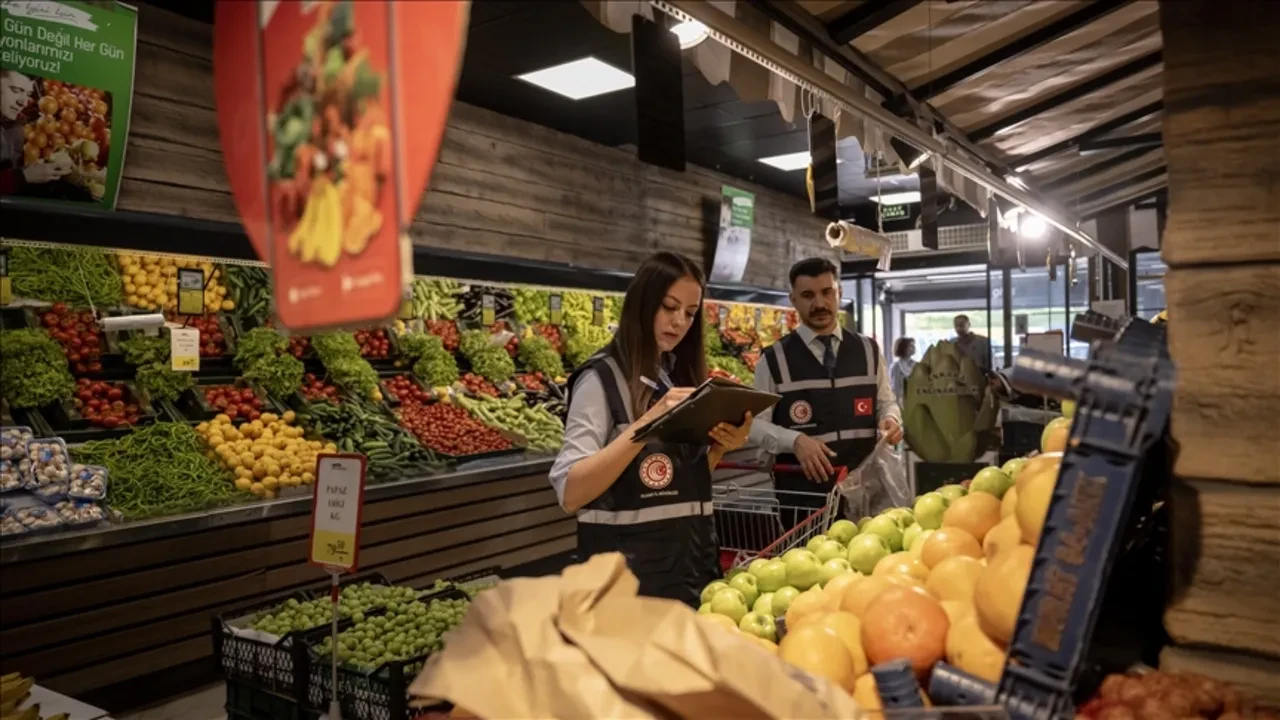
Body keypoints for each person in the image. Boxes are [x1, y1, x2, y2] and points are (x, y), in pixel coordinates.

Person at [549, 251, 753, 606]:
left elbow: (665, 483)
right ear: (643, 303)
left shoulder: (673, 377)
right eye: (669, 307)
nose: (679, 322)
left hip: (690, 575)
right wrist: (646, 423)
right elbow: (570, 492)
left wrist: (719, 448)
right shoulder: (600, 381)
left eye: (689, 313)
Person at [749, 258, 903, 517]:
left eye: (827, 292)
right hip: (803, 501)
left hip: (866, 493)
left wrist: (891, 418)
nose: (819, 303)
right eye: (808, 295)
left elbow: (885, 402)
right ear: (793, 300)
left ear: (839, 293)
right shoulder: (773, 359)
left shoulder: (868, 350)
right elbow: (753, 425)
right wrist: (794, 441)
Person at [0, 69, 71, 195]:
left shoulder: (16, 123)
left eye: (27, 94)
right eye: (15, 90)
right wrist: (23, 176)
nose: (23, 102)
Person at [889, 337, 916, 406]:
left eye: (913, 345)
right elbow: (895, 388)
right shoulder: (896, 366)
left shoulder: (916, 365)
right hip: (901, 402)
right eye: (910, 346)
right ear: (903, 348)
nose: (914, 348)